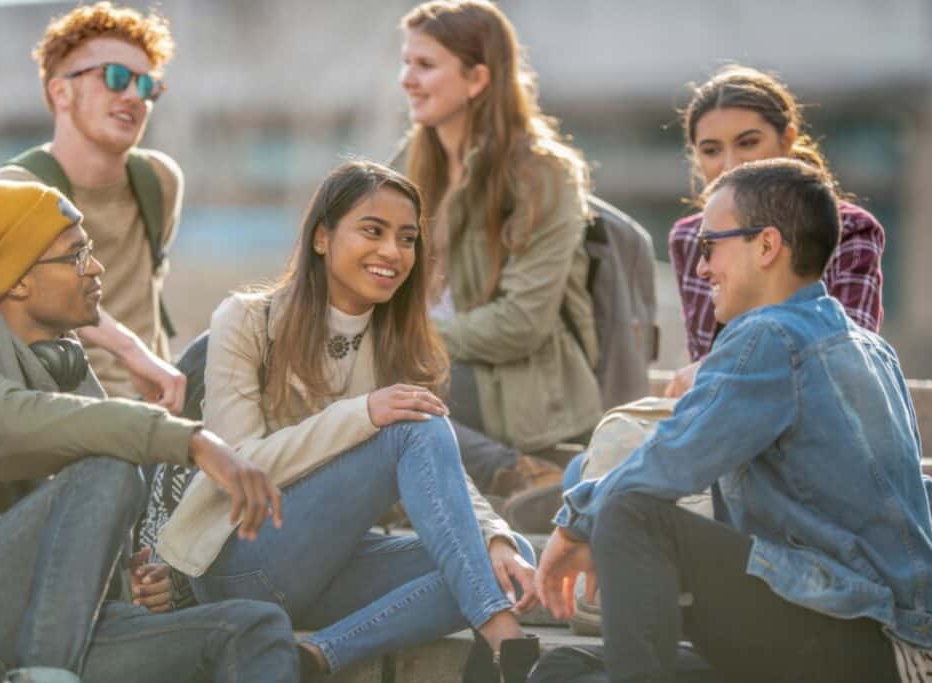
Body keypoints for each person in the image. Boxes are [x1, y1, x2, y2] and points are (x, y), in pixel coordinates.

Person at [533, 159, 932, 682]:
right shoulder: (868, 347)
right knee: (564, 670)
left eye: (709, 245)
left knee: (631, 513)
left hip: (854, 634)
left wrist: (571, 526)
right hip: (851, 629)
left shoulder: (772, 335)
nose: (701, 269)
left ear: (766, 246)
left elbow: (670, 461)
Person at [158, 160, 542, 683]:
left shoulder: (397, 342)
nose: (392, 252)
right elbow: (238, 461)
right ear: (322, 237)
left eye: (406, 239)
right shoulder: (247, 320)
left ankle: (319, 656)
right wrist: (361, 415)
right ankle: (504, 638)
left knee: (505, 555)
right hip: (239, 560)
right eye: (372, 230)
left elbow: (438, 468)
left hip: (330, 571)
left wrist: (494, 533)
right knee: (413, 432)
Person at [0, 180, 298, 683]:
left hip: (41, 632)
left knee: (254, 627)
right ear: (18, 279)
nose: (95, 268)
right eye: (75, 255)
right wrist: (194, 440)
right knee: (107, 463)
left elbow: (65, 525)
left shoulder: (60, 358)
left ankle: (48, 668)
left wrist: (115, 577)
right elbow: (27, 423)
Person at [395, 0, 602, 495]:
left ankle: (518, 472)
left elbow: (520, 323)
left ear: (477, 79)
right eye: (405, 62)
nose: (406, 79)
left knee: (369, 390)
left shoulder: (542, 175)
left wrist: (410, 340)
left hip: (517, 386)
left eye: (424, 65)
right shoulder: (410, 162)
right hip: (435, 364)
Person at [0, 1, 187, 410]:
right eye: (115, 78)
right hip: (61, 419)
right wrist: (129, 349)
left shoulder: (159, 181)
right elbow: (40, 298)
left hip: (158, 413)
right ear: (61, 91)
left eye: (147, 85)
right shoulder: (17, 188)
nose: (135, 96)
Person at [665, 64, 885, 397]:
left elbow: (847, 361)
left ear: (787, 140)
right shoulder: (689, 239)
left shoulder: (850, 230)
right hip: (728, 423)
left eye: (748, 143)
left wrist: (718, 371)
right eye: (711, 150)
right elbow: (704, 354)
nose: (730, 164)